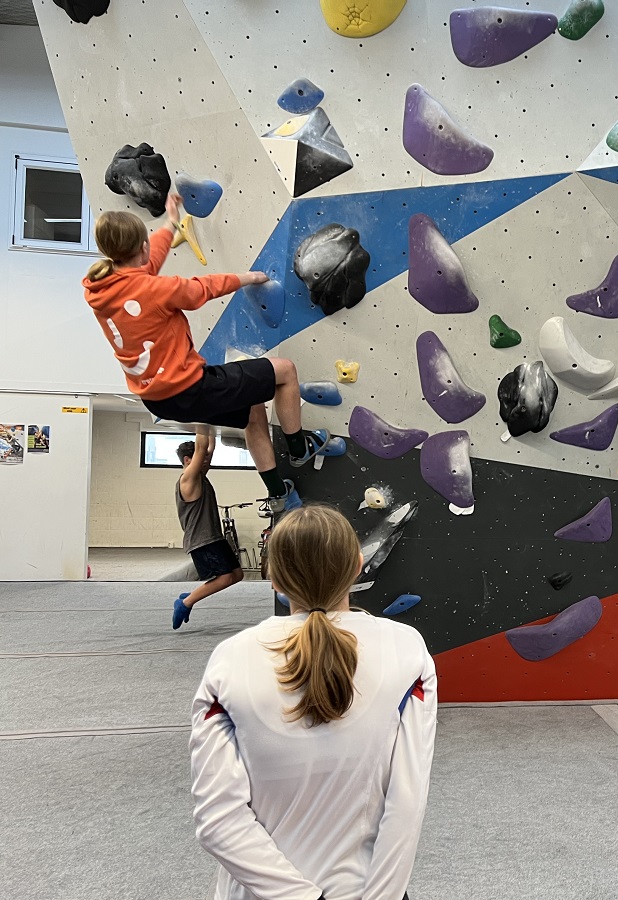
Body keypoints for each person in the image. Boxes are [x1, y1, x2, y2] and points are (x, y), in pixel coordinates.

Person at [190, 504, 436, 900]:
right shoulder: (405, 649)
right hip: (366, 890)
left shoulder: (230, 659)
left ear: (273, 576)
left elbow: (218, 820)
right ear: (358, 566)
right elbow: (407, 798)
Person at [83, 193, 330, 513]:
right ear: (141, 247)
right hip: (190, 387)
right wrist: (249, 278)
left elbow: (147, 266)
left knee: (253, 409)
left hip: (158, 398)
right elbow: (202, 288)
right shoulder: (153, 289)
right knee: (285, 371)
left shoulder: (100, 288)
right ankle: (299, 448)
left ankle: (278, 493)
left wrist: (171, 223)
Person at [172, 431, 246, 630]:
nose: (208, 461)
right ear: (188, 460)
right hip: (202, 540)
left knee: (237, 574)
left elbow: (209, 448)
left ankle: (191, 596)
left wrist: (212, 422)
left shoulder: (200, 476)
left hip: (214, 537)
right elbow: (203, 447)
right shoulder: (188, 479)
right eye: (202, 459)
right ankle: (186, 603)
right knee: (225, 577)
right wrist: (201, 419)